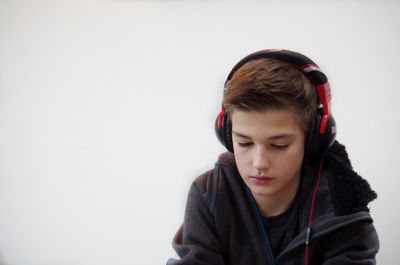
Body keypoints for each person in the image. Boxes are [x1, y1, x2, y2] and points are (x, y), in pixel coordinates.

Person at [167, 49, 379, 265]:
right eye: (244, 143)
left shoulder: (343, 202)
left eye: (279, 145)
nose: (259, 163)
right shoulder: (208, 193)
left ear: (312, 139)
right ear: (226, 134)